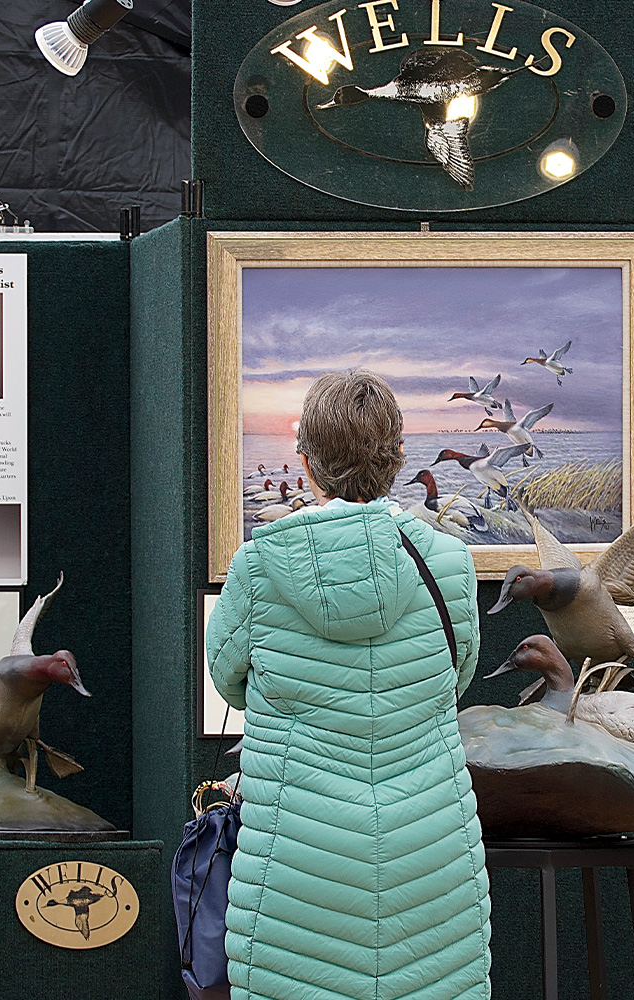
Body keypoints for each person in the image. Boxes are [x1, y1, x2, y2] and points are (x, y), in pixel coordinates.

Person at [206, 370, 491, 1000]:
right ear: (395, 463)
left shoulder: (258, 564)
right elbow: (457, 675)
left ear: (305, 462)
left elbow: (228, 680)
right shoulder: (450, 562)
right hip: (430, 845)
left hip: (297, 845)